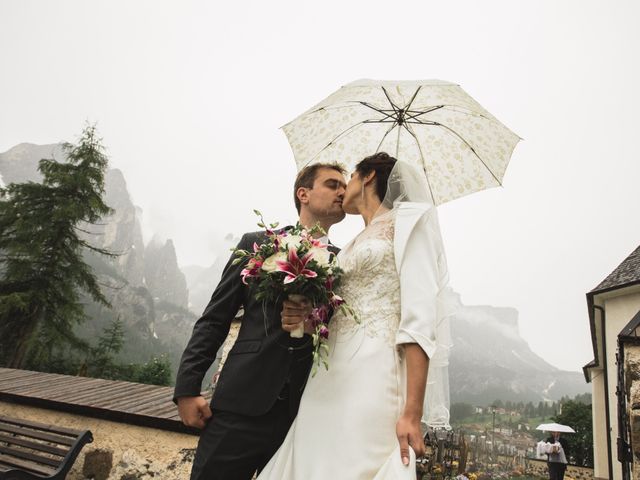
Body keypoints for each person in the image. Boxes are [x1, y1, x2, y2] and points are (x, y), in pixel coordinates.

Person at [259, 152, 457, 479]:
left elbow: (419, 318)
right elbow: (339, 313)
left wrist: (412, 411)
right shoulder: (352, 242)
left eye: (349, 177)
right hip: (326, 376)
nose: (343, 189)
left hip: (375, 372)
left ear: (367, 178)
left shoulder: (408, 223)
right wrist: (305, 319)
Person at [173, 162, 347, 480]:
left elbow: (340, 335)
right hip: (240, 402)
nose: (342, 192)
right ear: (303, 194)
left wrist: (312, 322)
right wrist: (187, 388)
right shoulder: (257, 244)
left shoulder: (343, 262)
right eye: (333, 184)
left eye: (344, 186)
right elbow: (214, 319)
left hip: (302, 416)